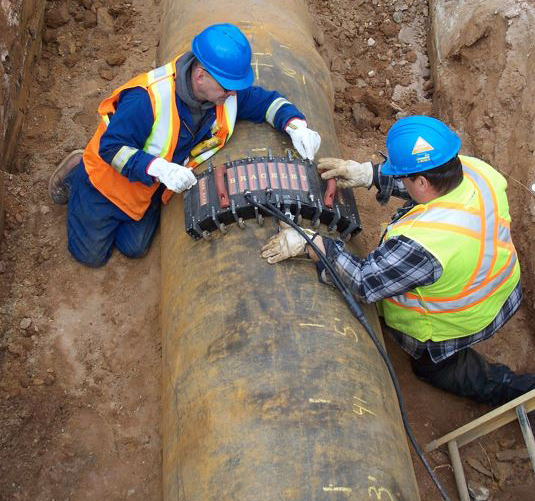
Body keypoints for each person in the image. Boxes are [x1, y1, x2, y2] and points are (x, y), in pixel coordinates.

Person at [260, 115, 534, 408]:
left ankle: (515, 389)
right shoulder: (479, 172)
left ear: (420, 181)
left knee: (436, 369)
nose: (399, 178)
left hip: (457, 320)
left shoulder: (427, 242)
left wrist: (314, 243)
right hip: (497, 284)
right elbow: (430, 182)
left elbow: (364, 282)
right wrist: (371, 175)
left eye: (401, 175)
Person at [48, 23, 321, 267]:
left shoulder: (223, 93)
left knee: (135, 248)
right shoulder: (147, 100)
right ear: (200, 76)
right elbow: (112, 148)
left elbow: (265, 102)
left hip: (147, 190)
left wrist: (295, 125)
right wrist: (159, 169)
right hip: (106, 183)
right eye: (227, 87)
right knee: (91, 256)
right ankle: (77, 171)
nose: (232, 94)